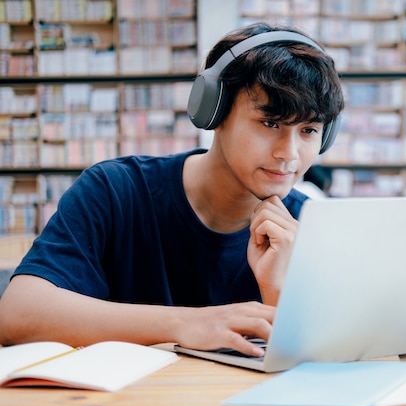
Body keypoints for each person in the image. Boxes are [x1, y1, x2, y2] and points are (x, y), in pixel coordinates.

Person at [0, 22, 344, 358]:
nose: (290, 153)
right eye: (270, 123)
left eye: (309, 130)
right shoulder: (116, 191)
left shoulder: (309, 225)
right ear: (213, 111)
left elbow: (328, 365)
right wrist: (186, 323)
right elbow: (17, 314)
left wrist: (278, 290)